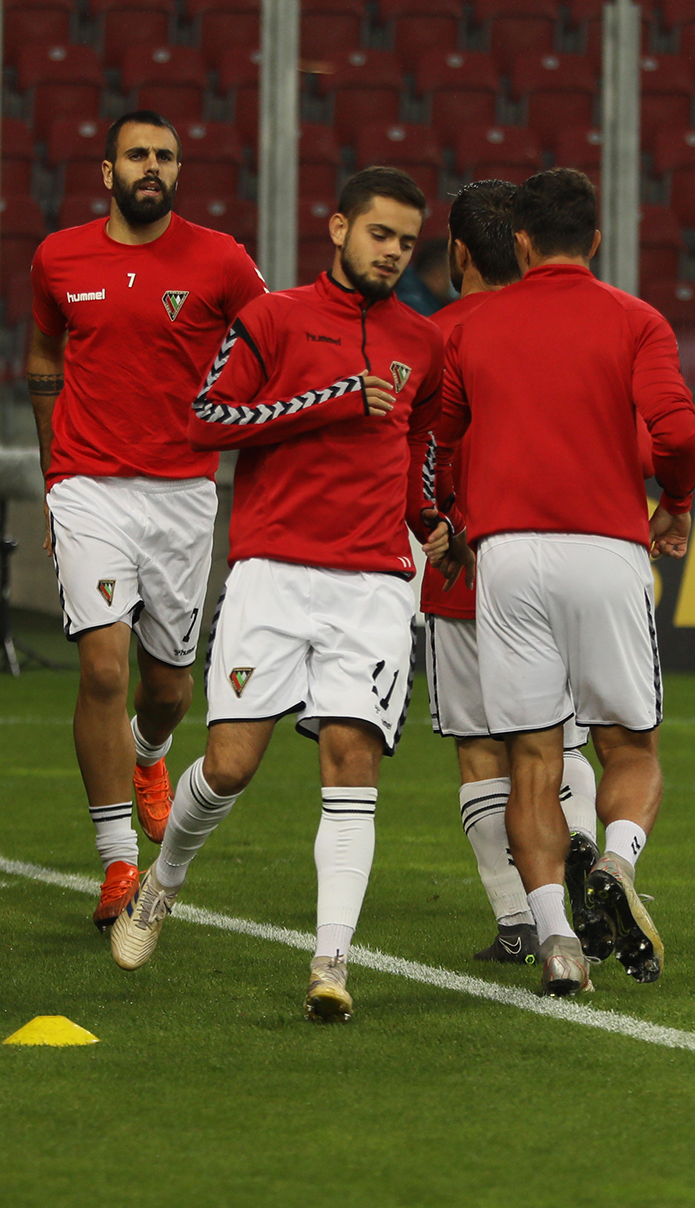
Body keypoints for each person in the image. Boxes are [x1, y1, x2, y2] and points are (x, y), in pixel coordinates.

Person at [108, 167, 447, 1025]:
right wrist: (329, 400)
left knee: (352, 759)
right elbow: (206, 418)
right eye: (380, 234)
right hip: (272, 571)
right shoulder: (273, 318)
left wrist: (430, 516)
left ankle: (331, 960)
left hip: (374, 582)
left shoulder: (424, 341)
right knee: (230, 765)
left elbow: (417, 446)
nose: (393, 252)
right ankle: (164, 880)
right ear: (338, 228)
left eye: (407, 242)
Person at [431, 167, 695, 997]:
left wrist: (444, 519)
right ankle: (616, 863)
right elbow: (676, 431)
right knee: (629, 745)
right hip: (606, 548)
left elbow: (440, 439)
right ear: (595, 240)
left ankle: (555, 940)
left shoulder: (473, 327)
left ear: (519, 241)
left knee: (531, 756)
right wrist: (675, 503)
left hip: (507, 556)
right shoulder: (635, 320)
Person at [25, 110, 267, 929]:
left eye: (165, 154)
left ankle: (150, 752)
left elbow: (270, 345)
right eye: (137, 154)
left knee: (167, 688)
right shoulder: (58, 257)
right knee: (102, 668)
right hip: (87, 486)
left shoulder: (222, 259)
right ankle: (117, 860)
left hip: (183, 493)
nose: (152, 166)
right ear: (108, 171)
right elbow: (42, 359)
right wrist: (53, 476)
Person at [417, 180, 600, 967]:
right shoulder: (561, 327)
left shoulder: (430, 340)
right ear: (524, 243)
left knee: (481, 750)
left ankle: (521, 920)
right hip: (557, 554)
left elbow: (416, 457)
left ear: (458, 251)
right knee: (559, 741)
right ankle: (583, 852)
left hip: (461, 564)